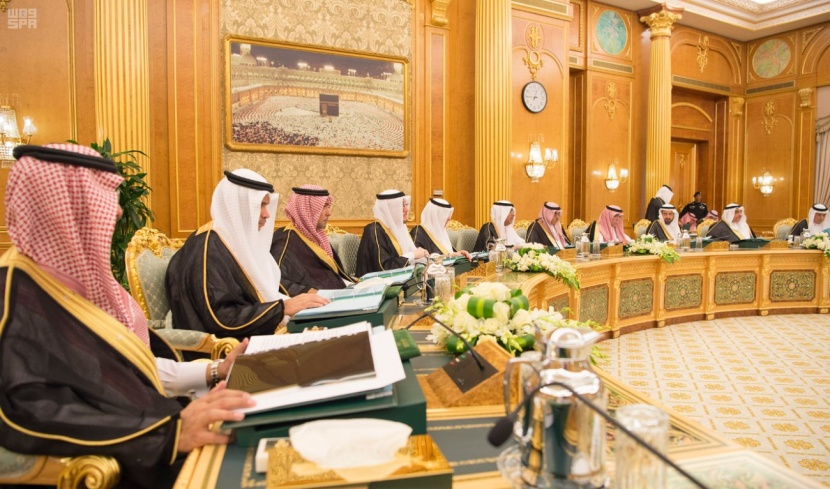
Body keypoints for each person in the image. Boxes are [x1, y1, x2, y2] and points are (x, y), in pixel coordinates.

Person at [0, 144, 255, 488]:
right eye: (105, 196)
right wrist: (167, 435)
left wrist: (214, 371)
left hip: (158, 427)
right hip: (132, 460)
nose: (119, 211)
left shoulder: (79, 281)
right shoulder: (16, 297)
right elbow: (30, 412)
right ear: (64, 208)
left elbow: (129, 371)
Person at [167, 170, 329, 341]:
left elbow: (265, 294)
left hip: (260, 334)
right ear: (239, 206)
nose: (267, 214)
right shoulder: (207, 248)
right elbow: (221, 319)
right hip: (231, 346)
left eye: (267, 206)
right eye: (260, 205)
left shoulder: (237, 242)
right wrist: (282, 308)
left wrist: (301, 304)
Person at [270, 185, 355, 295]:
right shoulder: (284, 240)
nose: (329, 213)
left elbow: (334, 274)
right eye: (323, 206)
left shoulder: (317, 237)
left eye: (328, 206)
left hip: (337, 295)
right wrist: (307, 291)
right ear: (306, 210)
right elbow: (275, 281)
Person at [355, 190, 429, 276]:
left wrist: (422, 255)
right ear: (390, 210)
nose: (406, 209)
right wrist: (413, 255)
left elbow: (413, 253)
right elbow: (384, 268)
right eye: (402, 206)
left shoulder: (401, 227)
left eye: (406, 205)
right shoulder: (374, 231)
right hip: (375, 281)